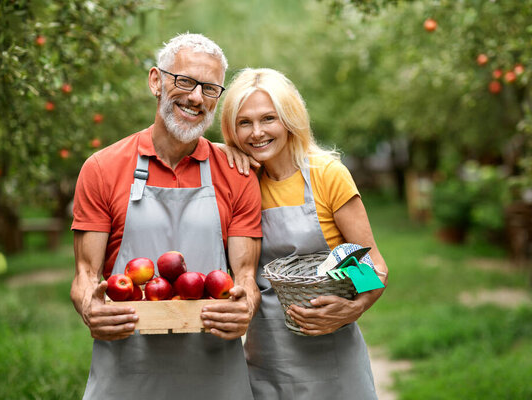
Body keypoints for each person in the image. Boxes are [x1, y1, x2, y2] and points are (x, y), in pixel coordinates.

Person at [70, 34, 262, 400]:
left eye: (209, 89)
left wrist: (245, 306)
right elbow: (84, 275)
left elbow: (247, 277)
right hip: (127, 370)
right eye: (185, 81)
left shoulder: (236, 174)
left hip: (215, 374)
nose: (195, 97)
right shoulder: (102, 168)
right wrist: (89, 307)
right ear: (156, 81)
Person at [219, 68, 389, 400]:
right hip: (266, 359)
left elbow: (374, 268)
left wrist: (353, 309)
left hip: (333, 355)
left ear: (289, 120)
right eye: (244, 123)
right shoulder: (240, 182)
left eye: (269, 118)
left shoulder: (327, 175)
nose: (257, 133)